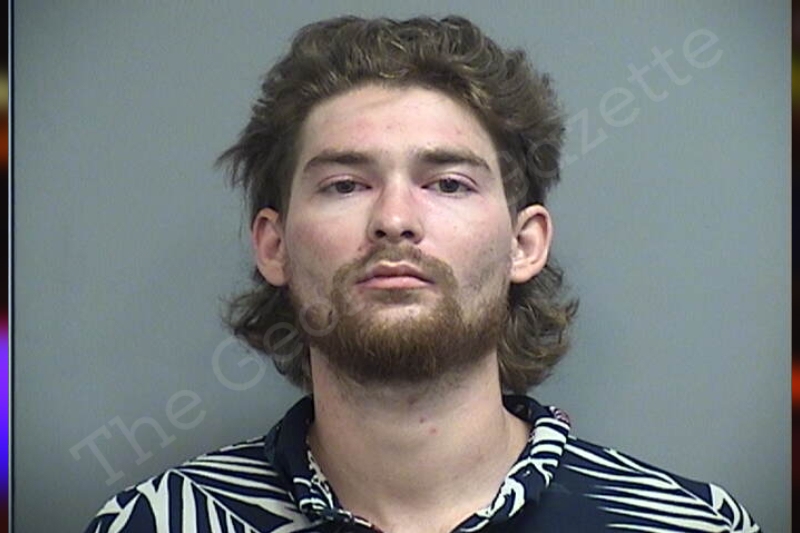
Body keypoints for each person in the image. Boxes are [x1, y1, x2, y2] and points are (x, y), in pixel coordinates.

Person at [84, 15, 760, 533]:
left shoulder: (693, 525)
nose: (395, 220)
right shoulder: (150, 524)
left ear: (524, 244)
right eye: (346, 184)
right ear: (274, 245)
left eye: (448, 183)